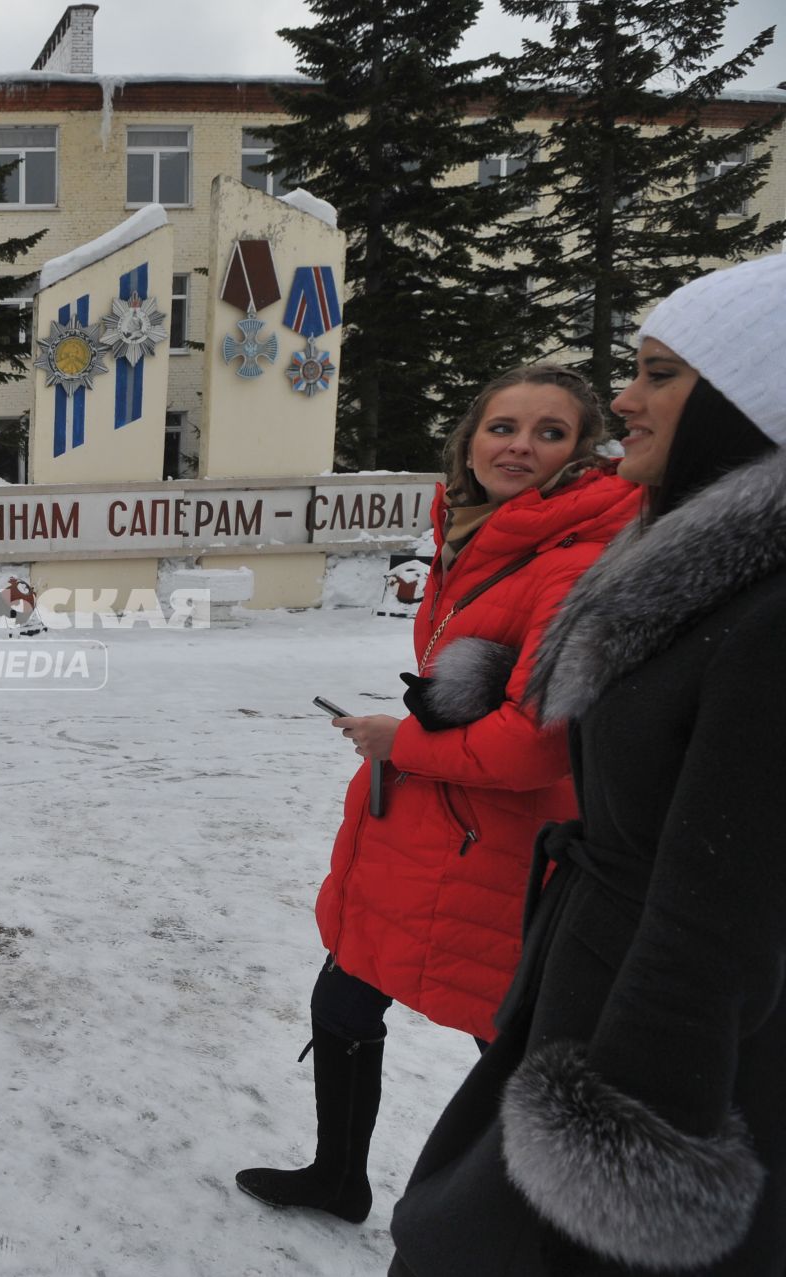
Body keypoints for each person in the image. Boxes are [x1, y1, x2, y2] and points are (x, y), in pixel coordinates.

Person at [390, 254, 786, 1274]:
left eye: (660, 372)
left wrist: (634, 1139)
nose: (626, 397)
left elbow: (722, 909)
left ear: (750, 400)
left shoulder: (766, 610)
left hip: (637, 1050)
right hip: (578, 973)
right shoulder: (688, 563)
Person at [236, 364, 641, 1226]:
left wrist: (404, 739)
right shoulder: (481, 538)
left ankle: (524, 1230)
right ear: (469, 439)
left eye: (549, 431)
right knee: (345, 991)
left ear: (582, 451)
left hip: (506, 846)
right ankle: (338, 1175)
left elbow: (540, 741)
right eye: (503, 427)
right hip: (429, 827)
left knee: (511, 1043)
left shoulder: (574, 564)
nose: (519, 447)